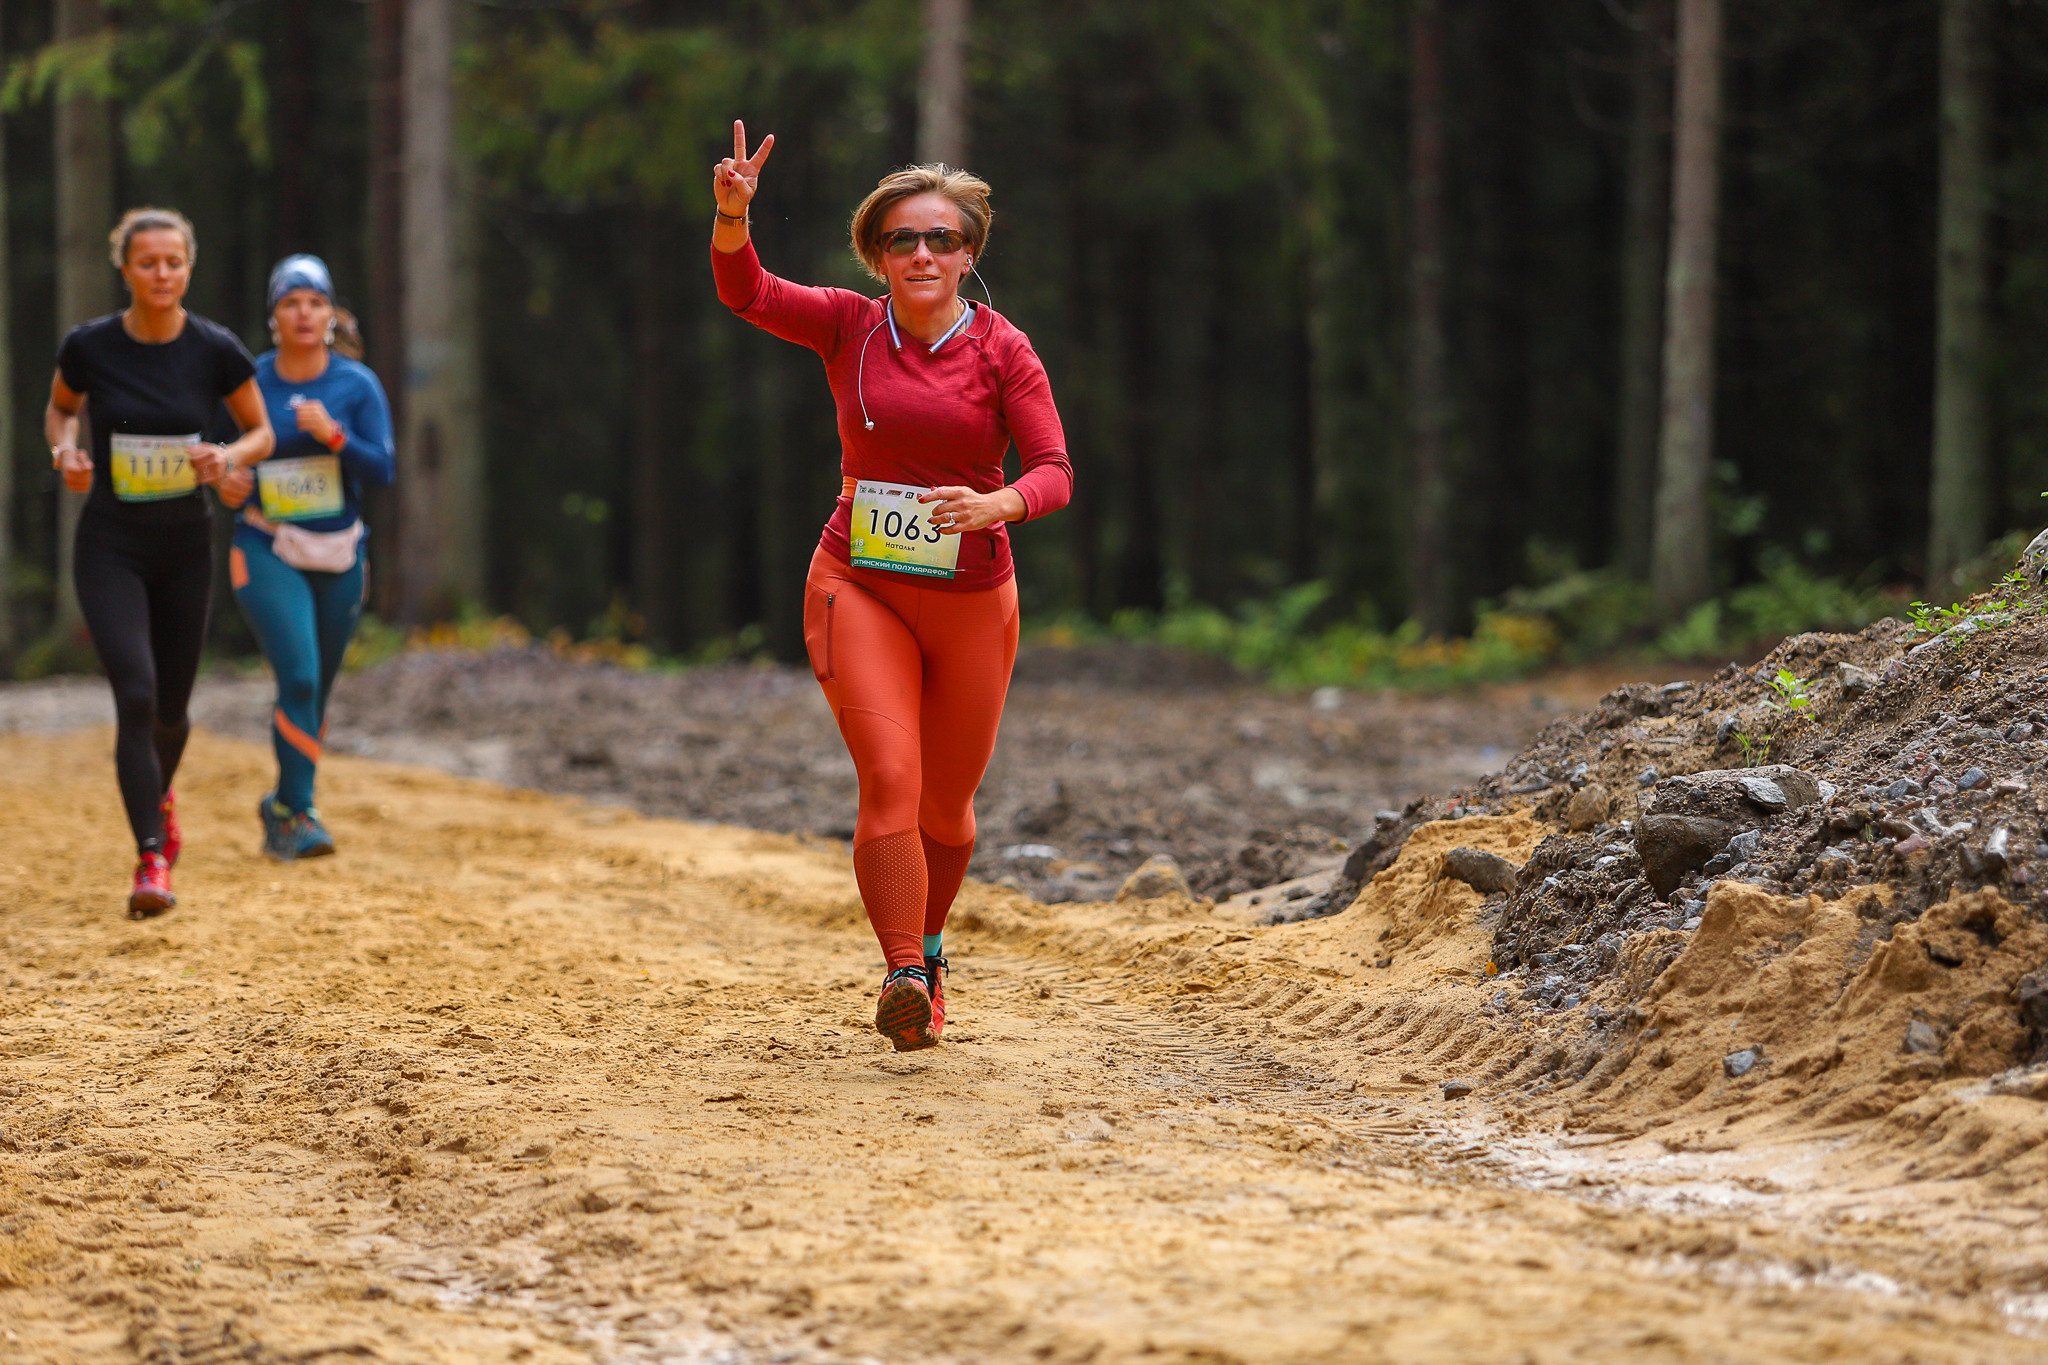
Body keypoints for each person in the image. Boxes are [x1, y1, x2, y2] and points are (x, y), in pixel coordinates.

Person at [710, 122, 1073, 1051]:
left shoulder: (1004, 351)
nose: (921, 253)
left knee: (947, 808)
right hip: (857, 582)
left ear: (969, 253)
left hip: (973, 596)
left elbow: (1055, 471)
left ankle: (934, 949)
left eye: (940, 238)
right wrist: (731, 215)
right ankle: (903, 969)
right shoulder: (847, 323)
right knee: (891, 778)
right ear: (876, 255)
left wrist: (999, 504)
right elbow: (746, 292)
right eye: (902, 239)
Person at [46, 207, 275, 918]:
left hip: (185, 548)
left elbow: (261, 430)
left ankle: (157, 796)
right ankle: (151, 856)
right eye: (148, 262)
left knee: (172, 708)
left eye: (174, 262)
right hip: (111, 543)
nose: (162, 274)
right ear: (126, 269)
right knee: (137, 695)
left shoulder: (216, 349)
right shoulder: (90, 345)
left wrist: (227, 455)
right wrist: (65, 451)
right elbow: (61, 410)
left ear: (189, 266)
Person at [217, 256, 394, 861]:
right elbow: (223, 454)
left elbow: (385, 467)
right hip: (267, 544)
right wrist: (228, 480)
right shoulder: (251, 381)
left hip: (340, 550)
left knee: (316, 690)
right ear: (274, 315)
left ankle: (284, 806)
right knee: (299, 675)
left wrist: (335, 436)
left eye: (314, 302)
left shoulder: (355, 385)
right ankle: (299, 813)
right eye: (291, 302)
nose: (303, 313)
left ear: (329, 313)